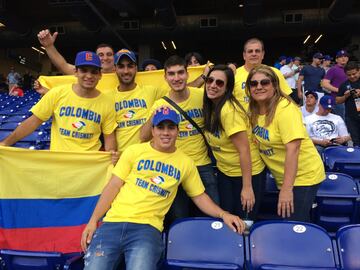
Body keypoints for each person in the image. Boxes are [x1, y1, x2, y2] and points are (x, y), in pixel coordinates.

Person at [81, 107, 245, 270]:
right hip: (113, 223)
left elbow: (199, 197)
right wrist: (93, 220)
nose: (165, 133)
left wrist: (223, 214)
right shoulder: (134, 151)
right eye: (160, 127)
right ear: (152, 130)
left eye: (171, 127)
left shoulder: (185, 162)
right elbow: (113, 186)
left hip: (147, 229)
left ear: (177, 131)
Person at [140, 55, 219, 220]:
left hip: (202, 166)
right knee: (179, 220)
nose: (176, 78)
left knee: (212, 218)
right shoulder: (160, 105)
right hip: (175, 168)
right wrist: (154, 114)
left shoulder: (202, 96)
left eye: (180, 73)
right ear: (165, 78)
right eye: (171, 74)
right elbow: (144, 137)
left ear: (187, 74)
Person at [246, 64, 325, 222]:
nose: (259, 87)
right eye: (254, 83)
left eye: (265, 82)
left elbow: (293, 149)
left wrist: (287, 189)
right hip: (283, 177)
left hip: (303, 176)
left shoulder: (285, 109)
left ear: (275, 85)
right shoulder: (253, 110)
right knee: (289, 222)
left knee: (294, 223)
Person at [0, 51, 117, 152]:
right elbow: (32, 122)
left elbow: (109, 137)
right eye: (84, 70)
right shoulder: (57, 93)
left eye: (94, 71)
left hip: (89, 164)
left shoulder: (107, 102)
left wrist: (111, 154)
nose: (89, 75)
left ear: (100, 75)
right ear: (76, 72)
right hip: (60, 161)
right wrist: (5, 143)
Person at [203, 65, 265, 220]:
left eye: (219, 83)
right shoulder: (211, 106)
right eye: (210, 80)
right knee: (229, 220)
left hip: (246, 175)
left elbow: (244, 150)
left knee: (244, 224)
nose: (213, 85)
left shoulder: (229, 111)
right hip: (226, 172)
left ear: (227, 88)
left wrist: (247, 187)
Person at [113, 49, 168, 154]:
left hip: (148, 158)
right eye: (121, 66)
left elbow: (178, 92)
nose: (126, 71)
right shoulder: (108, 97)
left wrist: (203, 77)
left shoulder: (150, 91)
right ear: (114, 69)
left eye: (130, 66)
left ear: (136, 69)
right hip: (122, 158)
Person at [233, 38, 292, 108]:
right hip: (242, 118)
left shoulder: (275, 73)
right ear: (244, 55)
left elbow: (287, 100)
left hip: (270, 118)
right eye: (250, 51)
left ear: (263, 54)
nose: (254, 54)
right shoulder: (234, 75)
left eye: (257, 51)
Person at [37, 29, 115, 75]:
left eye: (109, 54)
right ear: (95, 58)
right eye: (101, 55)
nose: (105, 58)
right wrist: (49, 46)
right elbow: (63, 66)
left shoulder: (123, 74)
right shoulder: (87, 74)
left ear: (114, 57)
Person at [336, 62, 360, 146]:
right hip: (351, 117)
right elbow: (338, 100)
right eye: (349, 75)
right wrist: (346, 96)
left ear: (359, 71)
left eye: (354, 74)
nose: (352, 76)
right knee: (356, 141)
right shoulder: (344, 85)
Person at [322, 50, 349, 119]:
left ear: (348, 58)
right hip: (338, 100)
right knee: (342, 120)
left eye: (345, 56)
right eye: (340, 57)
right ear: (336, 59)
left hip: (350, 99)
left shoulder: (349, 69)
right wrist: (339, 90)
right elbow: (324, 83)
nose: (343, 58)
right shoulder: (333, 69)